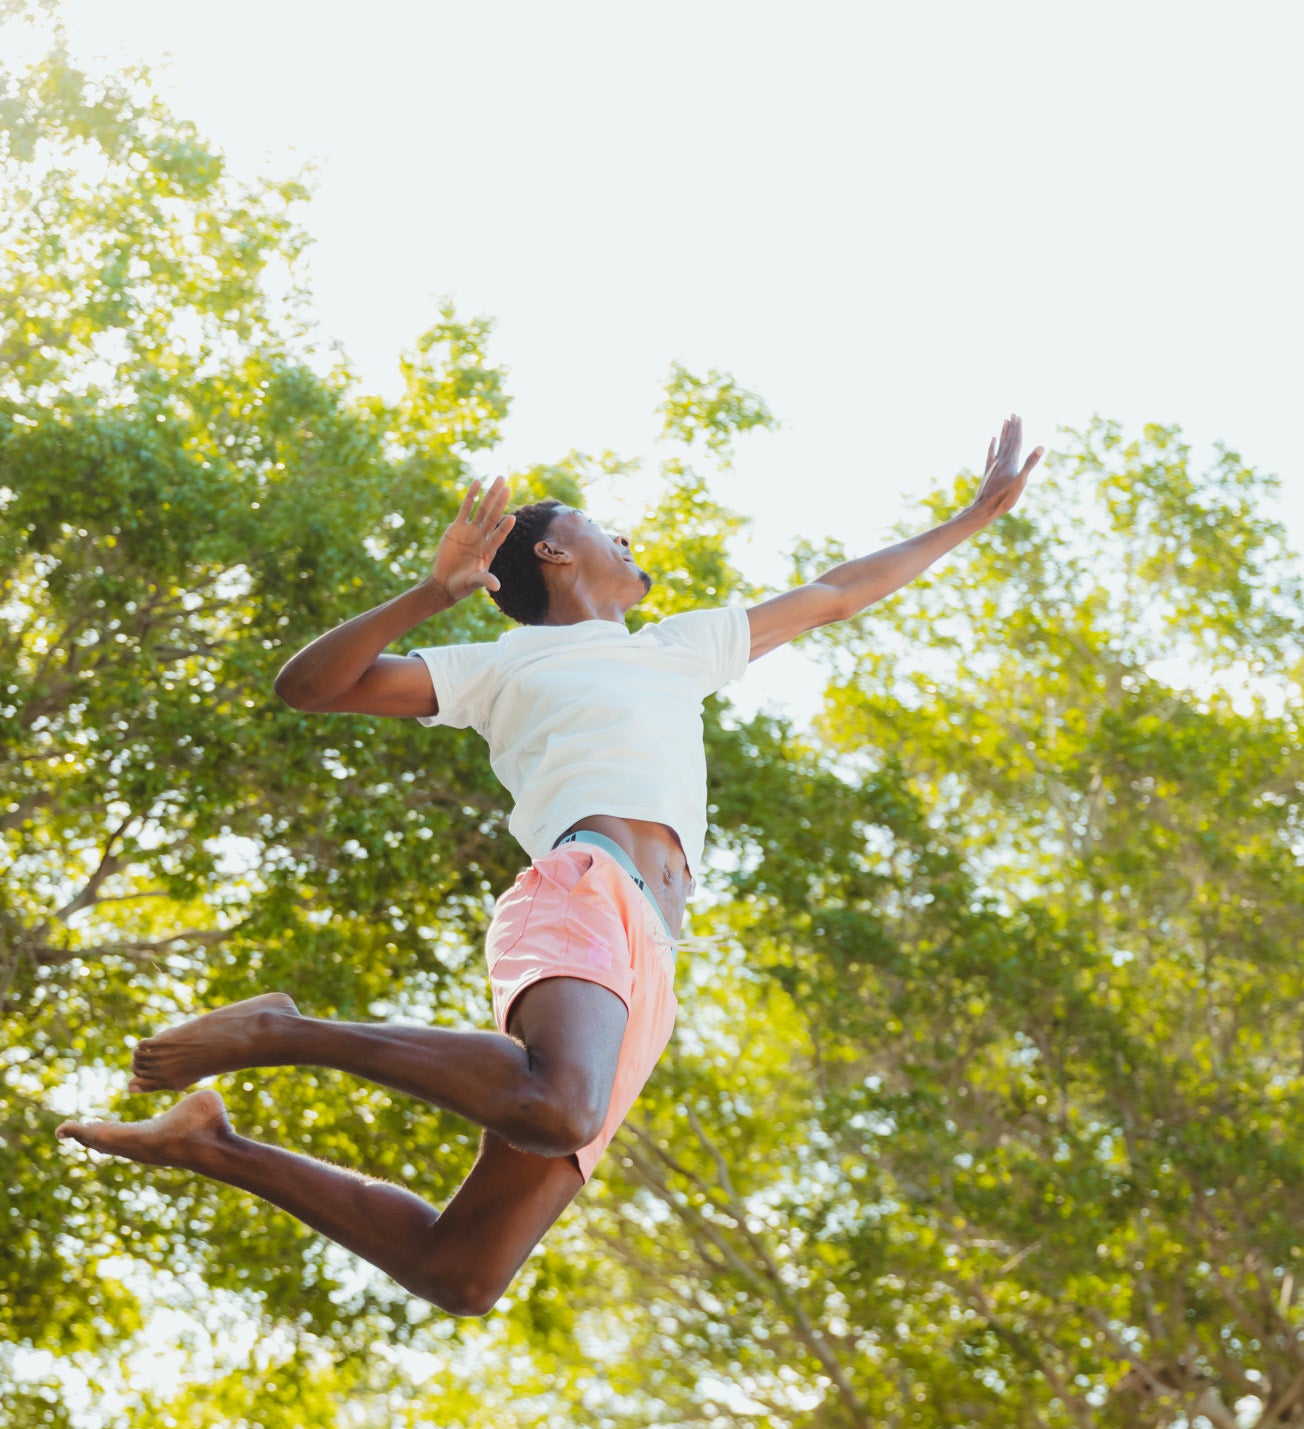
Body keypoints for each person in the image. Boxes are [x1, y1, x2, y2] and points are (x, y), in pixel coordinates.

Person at [57, 417, 1042, 1314]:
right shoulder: (499, 663)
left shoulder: (678, 647)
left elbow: (835, 594)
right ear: (553, 550)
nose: (632, 545)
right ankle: (281, 1028)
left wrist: (973, 514)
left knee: (462, 1272)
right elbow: (309, 687)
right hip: (584, 882)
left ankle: (207, 1143)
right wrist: (430, 595)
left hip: (648, 955)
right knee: (557, 1102)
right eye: (611, 530)